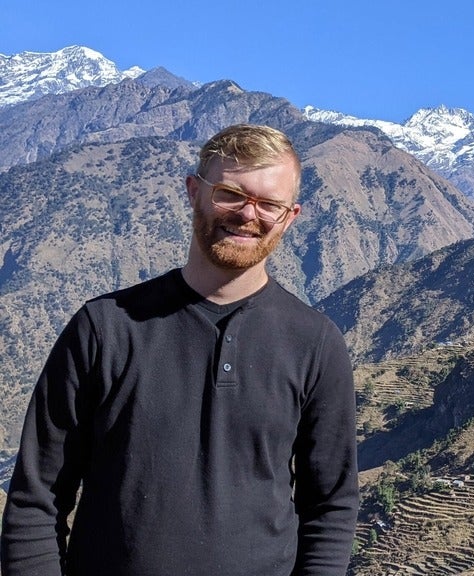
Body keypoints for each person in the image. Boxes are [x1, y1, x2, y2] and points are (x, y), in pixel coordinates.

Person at [0, 124, 359, 575]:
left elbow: (330, 508)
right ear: (194, 192)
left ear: (290, 216)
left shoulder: (316, 344)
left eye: (269, 204)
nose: (248, 214)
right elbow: (36, 501)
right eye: (230, 194)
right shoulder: (105, 328)